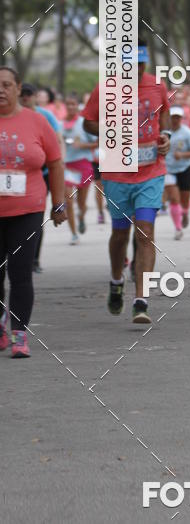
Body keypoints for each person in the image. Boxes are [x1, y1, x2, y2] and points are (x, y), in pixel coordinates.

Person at [82, 43, 171, 325]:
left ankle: (141, 299)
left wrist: (166, 135)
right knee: (120, 235)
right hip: (117, 173)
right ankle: (116, 280)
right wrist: (110, 127)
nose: (138, 70)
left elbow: (164, 115)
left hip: (151, 171)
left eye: (142, 64)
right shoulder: (105, 88)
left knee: (145, 232)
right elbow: (88, 123)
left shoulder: (157, 86)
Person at [0, 67, 66, 358]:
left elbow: (55, 162)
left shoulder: (37, 122)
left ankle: (19, 334)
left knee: (20, 273)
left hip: (27, 208)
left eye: (6, 85)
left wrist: (59, 202)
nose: (1, 90)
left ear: (17, 89)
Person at [18, 83, 63, 272]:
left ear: (35, 96)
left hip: (41, 174)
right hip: (14, 175)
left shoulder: (45, 116)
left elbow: (57, 139)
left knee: (35, 218)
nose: (25, 97)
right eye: (23, 94)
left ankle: (34, 259)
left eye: (29, 94)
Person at [63, 94, 97, 243]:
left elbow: (98, 142)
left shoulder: (84, 123)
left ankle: (81, 216)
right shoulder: (59, 124)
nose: (71, 107)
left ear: (77, 106)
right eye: (68, 104)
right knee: (68, 200)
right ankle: (73, 233)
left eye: (73, 104)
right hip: (68, 166)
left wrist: (82, 145)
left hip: (83, 164)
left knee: (81, 203)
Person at [164, 106, 190, 239]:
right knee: (174, 198)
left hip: (185, 168)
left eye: (178, 117)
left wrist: (183, 155)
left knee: (184, 200)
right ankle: (178, 228)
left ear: (181, 119)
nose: (175, 120)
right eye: (173, 117)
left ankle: (184, 212)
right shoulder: (164, 132)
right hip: (168, 169)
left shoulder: (187, 133)